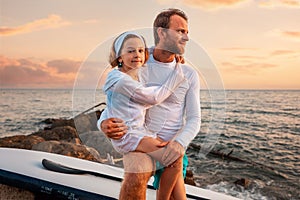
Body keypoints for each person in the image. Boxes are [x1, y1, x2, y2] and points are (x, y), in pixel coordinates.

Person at [98, 8, 201, 200]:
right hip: (139, 138)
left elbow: (195, 119)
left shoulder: (188, 74)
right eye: (180, 31)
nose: (186, 37)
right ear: (161, 32)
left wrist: (179, 143)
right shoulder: (138, 64)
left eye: (187, 32)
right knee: (137, 173)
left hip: (171, 143)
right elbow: (117, 101)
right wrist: (103, 123)